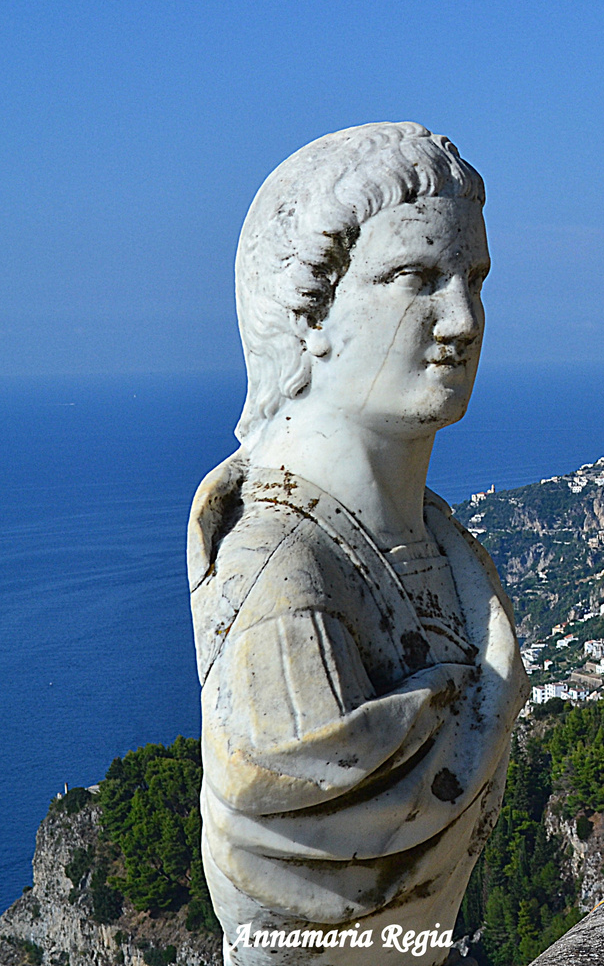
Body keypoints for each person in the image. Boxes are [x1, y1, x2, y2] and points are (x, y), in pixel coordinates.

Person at [186, 122, 528, 965]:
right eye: (415, 277)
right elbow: (296, 848)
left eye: (474, 280)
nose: (462, 321)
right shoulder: (280, 574)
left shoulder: (445, 550)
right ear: (310, 315)